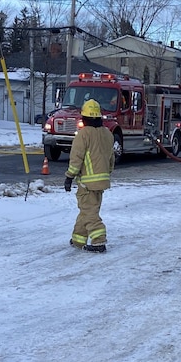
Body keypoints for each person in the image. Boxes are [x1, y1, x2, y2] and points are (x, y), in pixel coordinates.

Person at [65, 99, 115, 252]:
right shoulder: (107, 134)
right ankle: (78, 239)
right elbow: (111, 158)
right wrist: (106, 173)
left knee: (89, 212)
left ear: (84, 117)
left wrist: (69, 176)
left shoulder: (83, 134)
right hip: (102, 181)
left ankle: (99, 241)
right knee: (88, 210)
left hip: (87, 182)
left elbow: (76, 157)